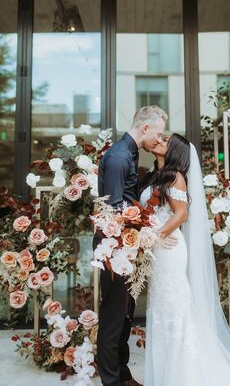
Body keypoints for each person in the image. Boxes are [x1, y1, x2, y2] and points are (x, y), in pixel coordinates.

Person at [140, 133, 230, 386]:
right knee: (159, 309)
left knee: (174, 309)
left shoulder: (175, 177)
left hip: (168, 249)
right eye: (159, 138)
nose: (158, 140)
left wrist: (153, 237)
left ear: (175, 152)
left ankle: (183, 376)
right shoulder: (153, 176)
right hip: (156, 250)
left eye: (165, 141)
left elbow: (181, 215)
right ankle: (161, 374)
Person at [93, 105, 171, 386]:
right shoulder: (118, 157)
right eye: (158, 133)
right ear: (145, 127)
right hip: (114, 249)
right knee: (114, 317)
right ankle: (112, 381)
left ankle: (122, 374)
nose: (159, 140)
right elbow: (115, 208)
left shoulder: (131, 154)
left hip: (128, 247)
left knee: (125, 315)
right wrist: (149, 229)